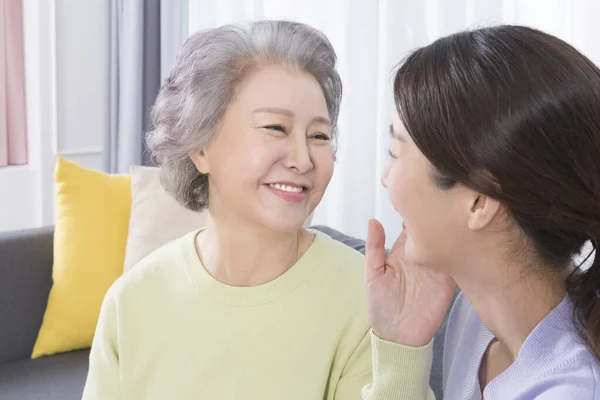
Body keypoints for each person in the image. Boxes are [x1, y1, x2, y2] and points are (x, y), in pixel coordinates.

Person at [82, 20, 424, 399]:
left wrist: (401, 350)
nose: (302, 160)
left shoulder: (369, 299)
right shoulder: (131, 302)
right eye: (276, 128)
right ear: (201, 146)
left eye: (319, 136)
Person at [366, 25, 600, 399]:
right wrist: (401, 345)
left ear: (479, 200)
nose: (385, 177)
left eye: (396, 152)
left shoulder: (569, 389)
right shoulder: (478, 317)